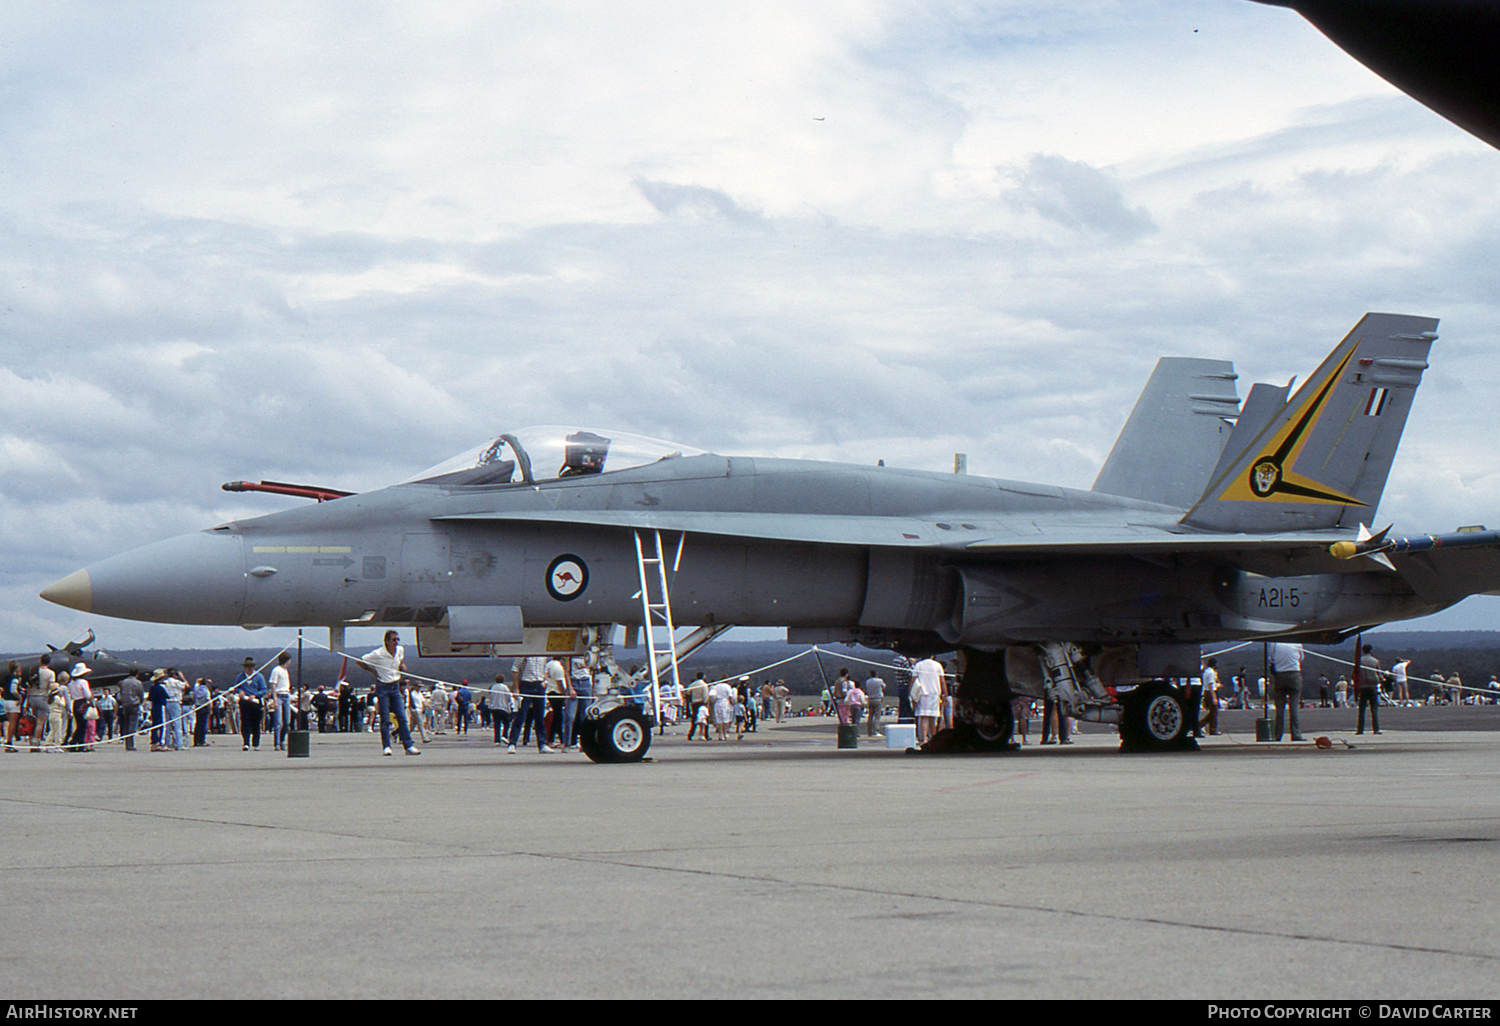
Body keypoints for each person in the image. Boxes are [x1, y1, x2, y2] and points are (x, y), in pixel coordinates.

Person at [355, 631, 421, 756]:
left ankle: (408, 745)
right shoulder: (378, 654)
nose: (396, 642)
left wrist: (401, 666)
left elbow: (400, 661)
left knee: (401, 717)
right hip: (383, 686)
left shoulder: (400, 650)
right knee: (385, 717)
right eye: (394, 640)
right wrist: (373, 671)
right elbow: (360, 661)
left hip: (395, 685)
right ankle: (386, 746)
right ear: (387, 641)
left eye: (398, 639)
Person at [507, 655, 555, 754]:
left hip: (539, 684)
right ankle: (512, 743)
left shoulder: (543, 655)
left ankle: (542, 744)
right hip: (526, 683)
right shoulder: (525, 653)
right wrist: (516, 688)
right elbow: (515, 669)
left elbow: (545, 668)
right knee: (521, 716)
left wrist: (545, 681)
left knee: (540, 716)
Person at [1268, 641, 1306, 742]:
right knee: (1294, 707)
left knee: (1279, 709)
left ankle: (1277, 735)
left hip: (1280, 675)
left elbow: (1271, 658)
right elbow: (1301, 657)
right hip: (1294, 673)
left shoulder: (1274, 643)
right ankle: (1296, 734)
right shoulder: (1297, 642)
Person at [233, 657, 268, 750]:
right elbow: (236, 687)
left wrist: (255, 695)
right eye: (248, 666)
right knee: (245, 722)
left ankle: (256, 743)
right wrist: (239, 691)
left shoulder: (259, 676)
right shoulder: (240, 677)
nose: (249, 668)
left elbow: (264, 690)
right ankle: (246, 742)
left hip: (255, 702)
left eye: (251, 666)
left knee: (256, 723)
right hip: (244, 702)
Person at [910, 656, 944, 745]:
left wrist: (911, 692)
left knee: (924, 717)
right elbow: (942, 681)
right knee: (933, 717)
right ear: (932, 656)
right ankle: (933, 737)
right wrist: (945, 694)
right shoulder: (937, 665)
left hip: (923, 693)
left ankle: (924, 738)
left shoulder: (919, 665)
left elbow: (913, 679)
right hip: (935, 693)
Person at [1355, 643, 1383, 735]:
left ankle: (1360, 729)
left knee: (1362, 709)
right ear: (1371, 651)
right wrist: (1382, 680)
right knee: (1374, 709)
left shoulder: (1359, 661)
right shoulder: (1375, 661)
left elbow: (1354, 674)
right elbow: (1379, 674)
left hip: (1363, 686)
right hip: (1373, 686)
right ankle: (1376, 729)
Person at [269, 652, 293, 751]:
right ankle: (277, 743)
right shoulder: (276, 670)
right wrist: (274, 699)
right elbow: (273, 684)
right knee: (278, 722)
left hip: (286, 695)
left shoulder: (286, 670)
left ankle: (283, 740)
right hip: (279, 695)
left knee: (287, 721)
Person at [117, 669, 144, 752]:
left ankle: (127, 742)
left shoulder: (123, 682)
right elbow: (140, 694)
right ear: (137, 674)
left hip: (125, 704)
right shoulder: (138, 683)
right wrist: (140, 702)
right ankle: (130, 744)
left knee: (126, 723)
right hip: (134, 704)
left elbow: (120, 693)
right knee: (132, 724)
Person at [1201, 657, 1221, 736]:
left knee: (1212, 711)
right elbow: (1210, 684)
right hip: (1210, 692)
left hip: (1206, 691)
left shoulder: (1206, 671)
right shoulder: (1211, 672)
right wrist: (1214, 697)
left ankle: (1200, 725)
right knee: (1214, 712)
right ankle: (1212, 729)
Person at [863, 670, 886, 737]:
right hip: (878, 699)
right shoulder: (879, 680)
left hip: (870, 699)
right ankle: (875, 730)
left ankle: (869, 731)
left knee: (870, 716)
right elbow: (884, 686)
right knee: (877, 716)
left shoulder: (868, 681)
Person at [191, 678, 212, 746]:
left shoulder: (196, 689)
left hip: (198, 706)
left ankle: (196, 740)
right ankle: (202, 740)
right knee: (203, 725)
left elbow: (193, 697)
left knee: (198, 724)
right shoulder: (206, 690)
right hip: (204, 707)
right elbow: (208, 699)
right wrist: (210, 708)